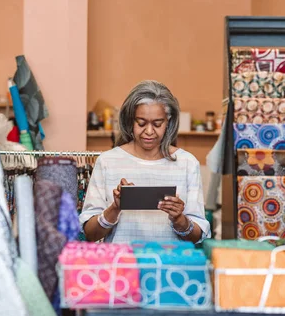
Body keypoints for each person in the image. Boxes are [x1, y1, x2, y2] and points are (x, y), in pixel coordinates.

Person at [80, 80, 210, 244]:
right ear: (129, 121)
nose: (149, 131)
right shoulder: (107, 162)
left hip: (169, 266)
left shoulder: (187, 163)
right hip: (123, 265)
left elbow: (198, 236)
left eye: (157, 124)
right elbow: (90, 234)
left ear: (168, 122)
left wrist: (179, 219)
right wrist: (115, 207)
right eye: (141, 123)